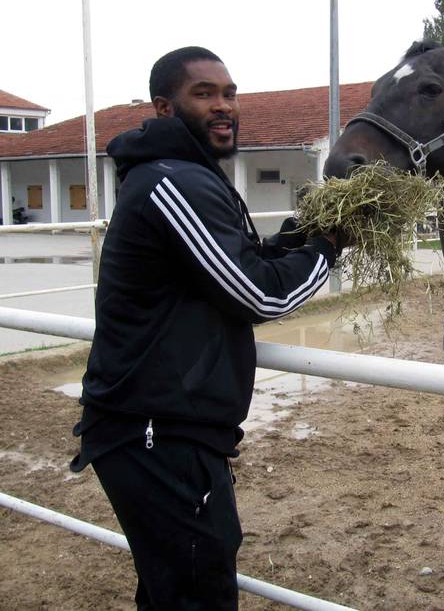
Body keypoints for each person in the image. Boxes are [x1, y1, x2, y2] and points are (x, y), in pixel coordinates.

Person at [69, 46, 339, 609]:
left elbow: (237, 262)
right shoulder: (171, 183)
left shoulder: (186, 175)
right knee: (197, 592)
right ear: (165, 107)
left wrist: (302, 233)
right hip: (156, 433)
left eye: (230, 94)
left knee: (173, 589)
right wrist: (326, 251)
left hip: (165, 428)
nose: (224, 106)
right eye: (204, 93)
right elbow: (259, 293)